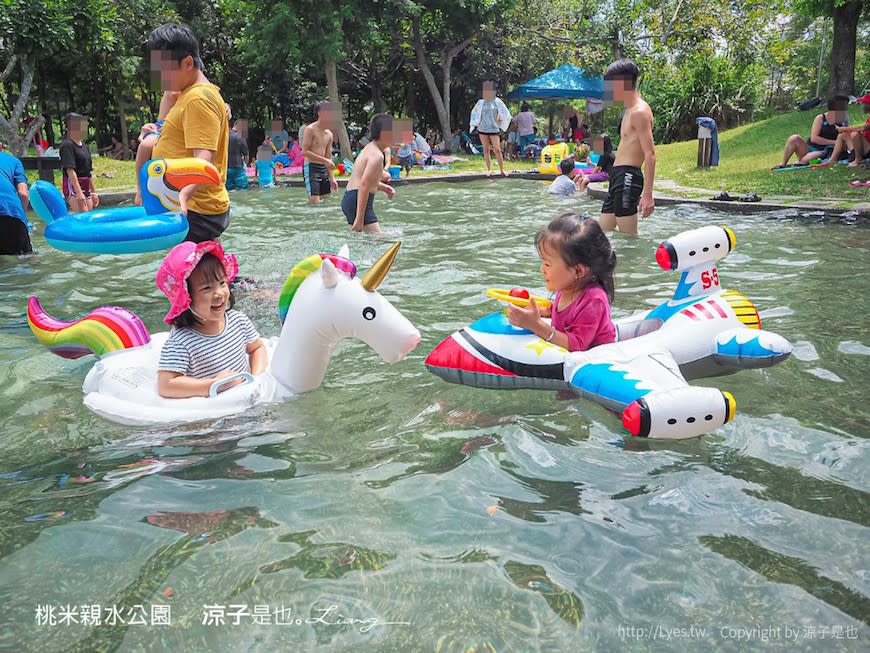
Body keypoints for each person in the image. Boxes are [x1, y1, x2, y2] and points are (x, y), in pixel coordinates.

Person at [146, 23, 230, 242]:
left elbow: (204, 159)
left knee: (194, 276)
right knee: (204, 273)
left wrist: (182, 197)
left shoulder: (198, 98)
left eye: (163, 69)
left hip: (195, 209)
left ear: (188, 63)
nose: (158, 75)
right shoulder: (187, 94)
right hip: (192, 207)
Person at [155, 240, 267, 399]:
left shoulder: (238, 321)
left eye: (222, 283)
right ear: (186, 297)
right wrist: (214, 384)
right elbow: (166, 385)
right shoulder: (182, 341)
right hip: (215, 411)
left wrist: (256, 379)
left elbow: (257, 348)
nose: (219, 293)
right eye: (207, 288)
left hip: (245, 400)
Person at [507, 212, 616, 352]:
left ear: (578, 271)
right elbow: (568, 315)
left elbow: (577, 345)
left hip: (596, 359)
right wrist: (546, 311)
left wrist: (536, 325)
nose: (542, 269)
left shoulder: (594, 300)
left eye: (547, 264)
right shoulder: (568, 286)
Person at [599, 59, 656, 236]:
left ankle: (639, 264)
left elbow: (650, 154)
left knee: (629, 239)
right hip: (617, 177)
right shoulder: (628, 111)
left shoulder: (639, 111)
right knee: (600, 233)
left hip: (628, 177)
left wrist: (648, 195)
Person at [341, 113, 396, 233]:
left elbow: (365, 179)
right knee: (377, 240)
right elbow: (364, 184)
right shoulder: (377, 156)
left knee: (370, 240)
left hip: (351, 197)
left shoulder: (370, 148)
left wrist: (383, 187)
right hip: (357, 199)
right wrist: (359, 218)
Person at [772, 95, 850, 169]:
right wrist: (835, 142)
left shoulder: (844, 119)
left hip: (828, 151)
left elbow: (845, 136)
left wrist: (838, 143)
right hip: (813, 147)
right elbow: (814, 138)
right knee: (794, 138)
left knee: (812, 157)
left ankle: (803, 162)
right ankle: (783, 164)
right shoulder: (820, 118)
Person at [469, 81, 512, 177]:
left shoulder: (497, 102)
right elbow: (475, 113)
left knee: (497, 149)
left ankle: (502, 169)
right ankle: (489, 169)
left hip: (494, 128)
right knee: (486, 149)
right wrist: (475, 123)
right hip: (482, 128)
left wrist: (500, 119)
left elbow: (505, 113)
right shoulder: (481, 102)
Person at [59, 113, 99, 213]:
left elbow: (88, 171)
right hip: (73, 185)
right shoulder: (67, 145)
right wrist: (79, 192)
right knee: (84, 214)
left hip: (85, 183)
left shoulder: (85, 147)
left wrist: (93, 192)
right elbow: (70, 169)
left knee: (88, 215)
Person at [817, 93, 870, 168]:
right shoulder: (821, 117)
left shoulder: (843, 116)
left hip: (867, 148)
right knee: (843, 135)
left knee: (855, 134)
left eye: (863, 104)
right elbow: (814, 138)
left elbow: (864, 128)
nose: (861, 106)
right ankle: (832, 159)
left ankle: (857, 160)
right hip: (821, 146)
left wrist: (845, 129)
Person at [302, 101, 338, 205]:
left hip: (323, 169)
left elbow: (328, 157)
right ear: (320, 113)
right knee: (314, 202)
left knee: (325, 200)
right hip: (311, 168)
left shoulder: (329, 134)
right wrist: (325, 160)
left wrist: (332, 178)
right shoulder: (310, 129)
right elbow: (305, 151)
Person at [0, 141, 32, 255]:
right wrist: (24, 223)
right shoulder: (14, 161)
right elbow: (23, 194)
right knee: (27, 257)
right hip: (12, 213)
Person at [226, 118, 249, 190]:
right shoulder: (240, 137)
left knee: (229, 190)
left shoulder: (225, 136)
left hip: (226, 168)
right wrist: (245, 165)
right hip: (238, 169)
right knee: (243, 190)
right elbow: (246, 155)